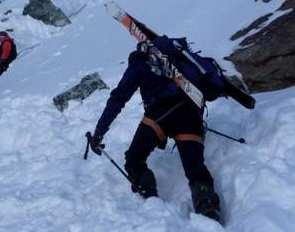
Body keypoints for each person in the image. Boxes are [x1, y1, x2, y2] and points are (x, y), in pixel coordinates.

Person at [88, 43, 220, 221]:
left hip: (159, 117)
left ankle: (150, 198)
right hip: (190, 115)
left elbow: (118, 99)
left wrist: (99, 132)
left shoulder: (139, 65)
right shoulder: (178, 61)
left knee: (134, 159)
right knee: (195, 167)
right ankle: (207, 205)